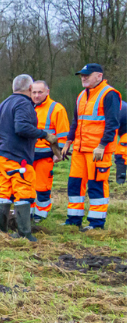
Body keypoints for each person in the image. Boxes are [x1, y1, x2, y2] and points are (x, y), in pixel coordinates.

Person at [0, 75, 57, 242]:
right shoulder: (23, 103)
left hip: (2, 154)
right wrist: (44, 135)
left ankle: (1, 231)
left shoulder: (4, 103)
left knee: (5, 192)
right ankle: (24, 234)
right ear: (29, 89)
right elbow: (21, 127)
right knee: (23, 192)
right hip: (17, 157)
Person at [63, 63, 122, 230]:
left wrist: (102, 145)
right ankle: (73, 220)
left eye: (87, 75)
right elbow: (76, 121)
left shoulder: (109, 94)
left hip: (97, 150)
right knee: (74, 183)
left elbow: (112, 123)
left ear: (99, 76)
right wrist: (68, 141)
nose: (83, 77)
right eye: (82, 75)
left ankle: (96, 224)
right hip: (80, 149)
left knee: (96, 185)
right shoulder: (82, 95)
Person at [29, 80, 69, 222]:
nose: (36, 95)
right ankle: (29, 212)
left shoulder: (56, 108)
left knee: (42, 186)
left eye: (40, 92)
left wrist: (59, 153)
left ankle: (40, 214)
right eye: (34, 92)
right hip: (27, 154)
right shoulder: (26, 106)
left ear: (47, 92)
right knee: (27, 185)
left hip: (45, 154)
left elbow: (63, 133)